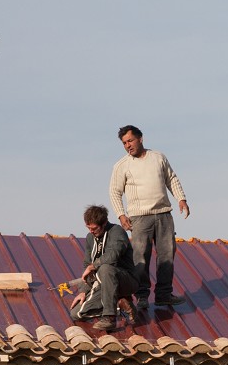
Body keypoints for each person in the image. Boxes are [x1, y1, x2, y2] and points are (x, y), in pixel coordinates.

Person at [109, 124, 190, 309]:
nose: (128, 145)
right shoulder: (122, 165)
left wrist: (181, 199)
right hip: (139, 217)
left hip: (163, 214)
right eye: (124, 143)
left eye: (130, 141)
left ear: (140, 139)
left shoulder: (158, 158)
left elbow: (172, 178)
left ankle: (163, 294)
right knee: (140, 257)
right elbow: (114, 191)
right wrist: (121, 215)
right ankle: (142, 296)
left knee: (167, 255)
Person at [70, 205, 139, 332]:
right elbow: (87, 265)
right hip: (103, 285)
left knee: (105, 268)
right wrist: (83, 290)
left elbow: (113, 255)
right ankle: (120, 303)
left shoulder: (117, 232)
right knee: (76, 313)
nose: (91, 231)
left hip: (125, 281)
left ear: (104, 223)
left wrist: (93, 266)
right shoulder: (90, 238)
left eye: (94, 228)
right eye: (88, 228)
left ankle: (109, 318)